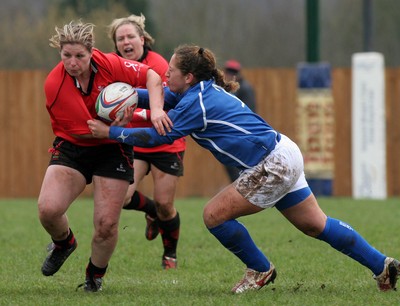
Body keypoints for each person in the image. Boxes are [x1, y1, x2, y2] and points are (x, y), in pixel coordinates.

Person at [88, 44, 400, 294]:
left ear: (189, 77)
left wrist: (110, 133)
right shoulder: (199, 90)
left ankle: (260, 269)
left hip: (271, 164)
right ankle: (381, 264)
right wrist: (128, 97)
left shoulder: (196, 103)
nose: (165, 75)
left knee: (213, 215)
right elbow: (161, 96)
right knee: (315, 225)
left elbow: (159, 136)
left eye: (170, 71)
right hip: (283, 150)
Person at [38, 20, 167, 292]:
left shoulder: (109, 63)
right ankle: (64, 242)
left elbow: (153, 77)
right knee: (48, 210)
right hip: (75, 145)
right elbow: (89, 131)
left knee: (106, 224)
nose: (73, 62)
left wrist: (155, 110)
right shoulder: (55, 85)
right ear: (60, 53)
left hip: (112, 148)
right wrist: (114, 127)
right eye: (66, 56)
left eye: (80, 56)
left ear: (91, 52)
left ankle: (94, 278)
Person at [108, 13, 185, 269]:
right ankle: (150, 212)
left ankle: (170, 254)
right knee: (124, 198)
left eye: (131, 36)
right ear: (116, 44)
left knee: (165, 204)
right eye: (121, 38)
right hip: (135, 141)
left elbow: (169, 108)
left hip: (166, 141)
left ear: (142, 39)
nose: (126, 41)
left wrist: (138, 112)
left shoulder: (159, 65)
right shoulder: (114, 67)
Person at [223, 59, 257, 182]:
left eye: (234, 72)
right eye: (229, 71)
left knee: (238, 172)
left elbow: (249, 111)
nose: (231, 74)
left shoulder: (245, 88)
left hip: (239, 136)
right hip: (230, 135)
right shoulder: (226, 88)